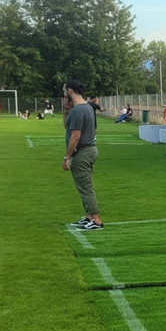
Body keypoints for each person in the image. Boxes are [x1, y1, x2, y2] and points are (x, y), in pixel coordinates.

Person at [62, 80, 103, 230]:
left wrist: (67, 157)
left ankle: (97, 220)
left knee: (85, 188)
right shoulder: (85, 108)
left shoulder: (79, 110)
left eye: (65, 91)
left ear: (70, 91)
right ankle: (88, 217)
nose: (64, 94)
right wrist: (66, 111)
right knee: (83, 186)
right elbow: (67, 126)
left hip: (83, 152)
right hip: (89, 150)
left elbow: (75, 136)